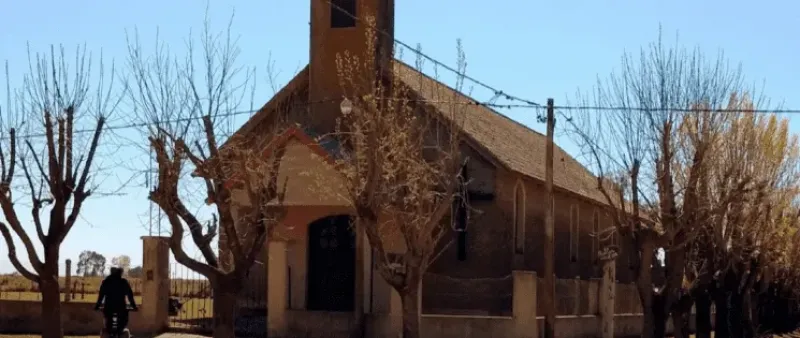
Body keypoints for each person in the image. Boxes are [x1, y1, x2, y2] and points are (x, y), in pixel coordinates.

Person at [94, 267, 138, 333]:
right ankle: (120, 331)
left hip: (109, 308)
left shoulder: (106, 282)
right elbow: (130, 296)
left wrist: (97, 306)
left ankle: (110, 331)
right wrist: (134, 307)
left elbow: (101, 296)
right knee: (123, 321)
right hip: (121, 308)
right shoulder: (123, 282)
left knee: (108, 320)